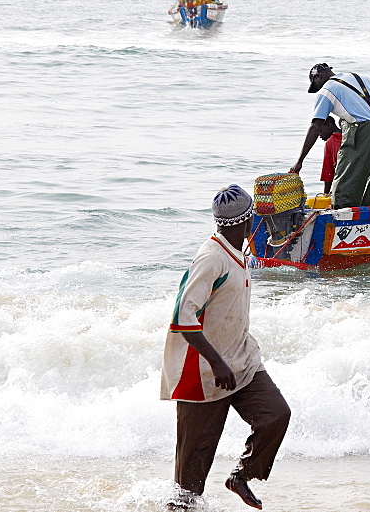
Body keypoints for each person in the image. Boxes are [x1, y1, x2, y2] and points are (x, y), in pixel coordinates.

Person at [161, 184, 291, 511]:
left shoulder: (237, 252)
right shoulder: (211, 258)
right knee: (188, 490)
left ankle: (242, 475)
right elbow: (182, 315)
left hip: (242, 362)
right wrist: (217, 363)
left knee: (276, 415)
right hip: (204, 376)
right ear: (245, 224)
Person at [289, 63, 370, 209]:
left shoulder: (326, 91)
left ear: (319, 77)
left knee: (345, 176)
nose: (317, 89)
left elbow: (316, 126)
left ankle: (340, 214)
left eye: (316, 84)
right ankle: (369, 214)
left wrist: (300, 161)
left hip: (363, 129)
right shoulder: (360, 77)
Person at [319, 116, 342, 195]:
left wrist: (326, 193)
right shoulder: (349, 135)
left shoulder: (330, 142)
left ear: (329, 126)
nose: (320, 135)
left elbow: (328, 171)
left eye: (321, 131)